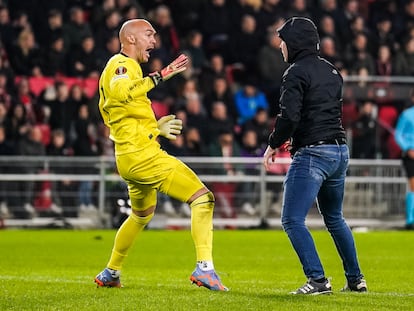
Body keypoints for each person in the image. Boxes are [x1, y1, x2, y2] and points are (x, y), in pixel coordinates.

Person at [94, 18, 228, 291]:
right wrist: (160, 75)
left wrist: (155, 127)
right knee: (203, 198)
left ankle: (111, 271)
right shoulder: (121, 65)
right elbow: (121, 93)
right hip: (143, 156)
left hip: (129, 155)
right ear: (130, 38)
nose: (154, 41)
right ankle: (205, 268)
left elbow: (124, 115)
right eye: (148, 35)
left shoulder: (126, 67)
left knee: (141, 215)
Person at [262, 17, 366, 295]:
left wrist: (274, 143)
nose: (280, 46)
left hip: (313, 154)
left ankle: (318, 280)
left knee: (292, 220)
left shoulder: (295, 72)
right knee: (334, 218)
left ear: (294, 43)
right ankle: (356, 280)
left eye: (283, 41)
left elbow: (289, 116)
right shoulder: (332, 71)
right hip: (339, 151)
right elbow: (320, 113)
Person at [394, 101, 414, 230]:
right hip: (410, 155)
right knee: (413, 186)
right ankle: (410, 220)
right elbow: (398, 134)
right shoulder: (407, 114)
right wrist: (408, 148)